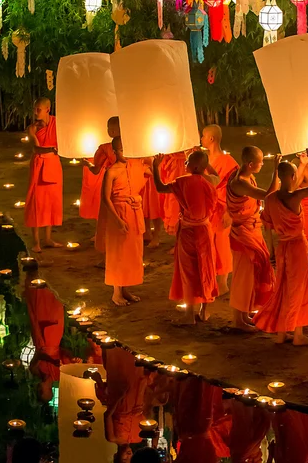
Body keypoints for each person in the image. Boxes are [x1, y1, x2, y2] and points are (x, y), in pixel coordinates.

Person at [253, 147, 308, 345]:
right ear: (293, 176)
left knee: (283, 287)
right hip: (297, 247)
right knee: (300, 288)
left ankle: (282, 332)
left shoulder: (270, 199)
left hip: (281, 247)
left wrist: (271, 251)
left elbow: (267, 227)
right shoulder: (295, 197)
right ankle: (298, 334)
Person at [153, 150, 220, 324]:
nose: (185, 163)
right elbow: (217, 175)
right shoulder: (209, 180)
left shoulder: (182, 182)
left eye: (188, 161)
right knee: (206, 267)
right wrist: (205, 164)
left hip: (189, 231)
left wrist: (155, 167)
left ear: (195, 166)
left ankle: (189, 315)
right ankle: (204, 311)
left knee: (189, 271)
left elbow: (160, 187)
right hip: (205, 229)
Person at [227, 146, 281, 332]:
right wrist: (276, 170)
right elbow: (268, 195)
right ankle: (238, 320)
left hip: (251, 230)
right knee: (243, 277)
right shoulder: (240, 182)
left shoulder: (246, 176)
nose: (262, 164)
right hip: (243, 235)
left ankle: (245, 314)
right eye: (260, 162)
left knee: (252, 275)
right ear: (250, 164)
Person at [102, 137, 148, 307]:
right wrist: (118, 221)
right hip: (118, 213)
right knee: (118, 253)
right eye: (122, 150)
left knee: (131, 252)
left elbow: (153, 172)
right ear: (114, 152)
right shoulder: (112, 171)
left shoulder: (134, 166)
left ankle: (126, 289)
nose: (125, 153)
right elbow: (106, 199)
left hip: (134, 212)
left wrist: (155, 161)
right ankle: (116, 293)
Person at [201, 124, 239, 295]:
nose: (201, 139)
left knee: (222, 245)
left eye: (203, 136)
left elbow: (234, 188)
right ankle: (211, 280)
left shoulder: (228, 162)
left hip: (222, 208)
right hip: (206, 209)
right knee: (208, 245)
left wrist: (230, 212)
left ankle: (223, 282)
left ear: (211, 138)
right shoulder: (204, 160)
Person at [24, 97, 63, 253]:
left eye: (38, 109)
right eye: (34, 109)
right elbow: (36, 149)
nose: (35, 112)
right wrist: (51, 149)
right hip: (39, 164)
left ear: (48, 109)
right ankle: (36, 241)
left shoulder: (57, 123)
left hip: (53, 164)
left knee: (51, 201)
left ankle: (47, 239)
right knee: (36, 201)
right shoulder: (32, 128)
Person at [80, 116, 120, 220]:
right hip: (127, 185)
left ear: (111, 131)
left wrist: (87, 164)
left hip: (111, 183)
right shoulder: (130, 147)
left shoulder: (105, 148)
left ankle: (104, 234)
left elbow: (96, 170)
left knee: (108, 208)